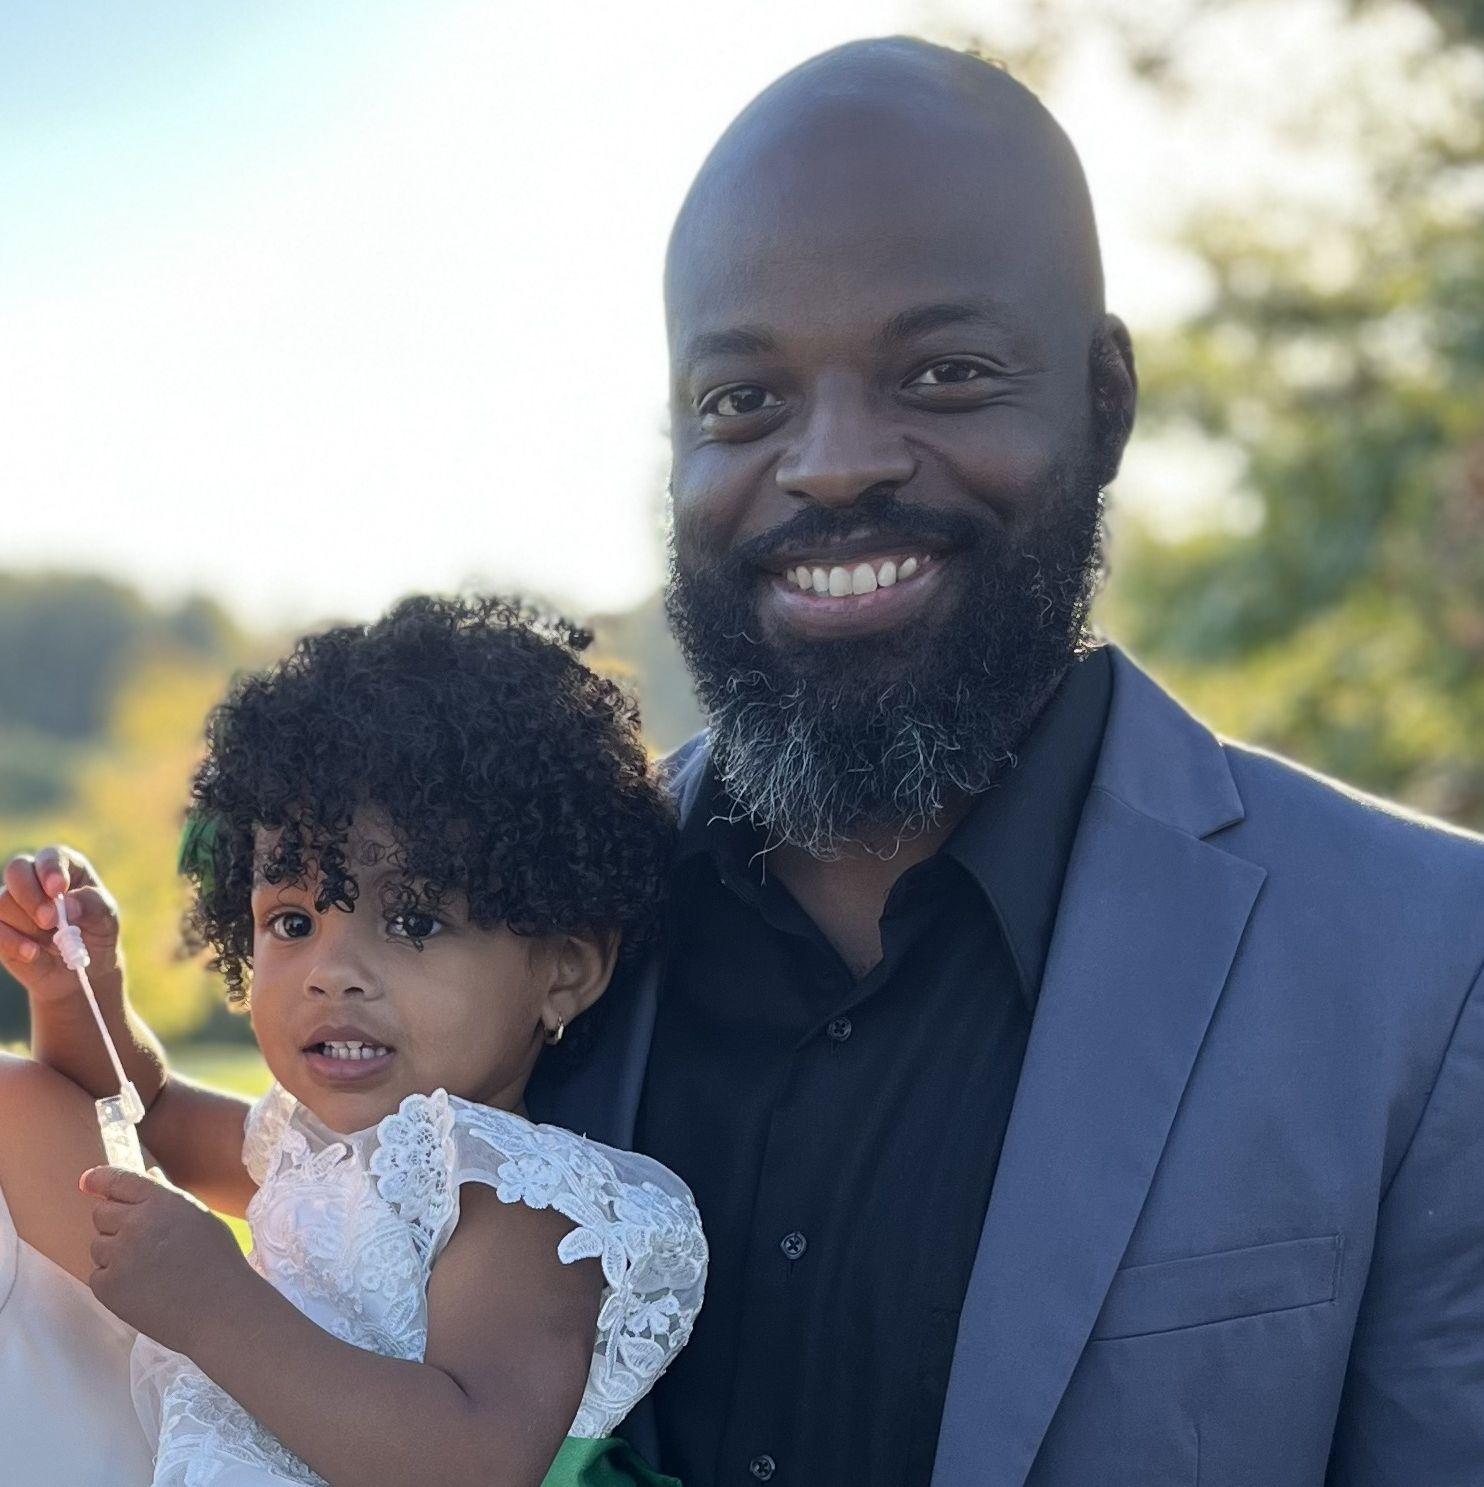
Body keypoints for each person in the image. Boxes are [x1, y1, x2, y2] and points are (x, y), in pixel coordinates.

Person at [522, 37, 1484, 1487]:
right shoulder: (520, 927)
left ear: (1105, 401)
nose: (832, 462)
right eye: (741, 400)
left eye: (945, 372)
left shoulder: (1427, 964)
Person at [0, 595, 705, 1486]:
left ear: (563, 969)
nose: (331, 972)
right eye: (292, 921)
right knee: (19, 1092)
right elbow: (147, 1112)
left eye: (414, 920)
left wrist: (218, 1306)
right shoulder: (308, 1144)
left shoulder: (516, 1199)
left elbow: (476, 1460)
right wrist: (78, 988)